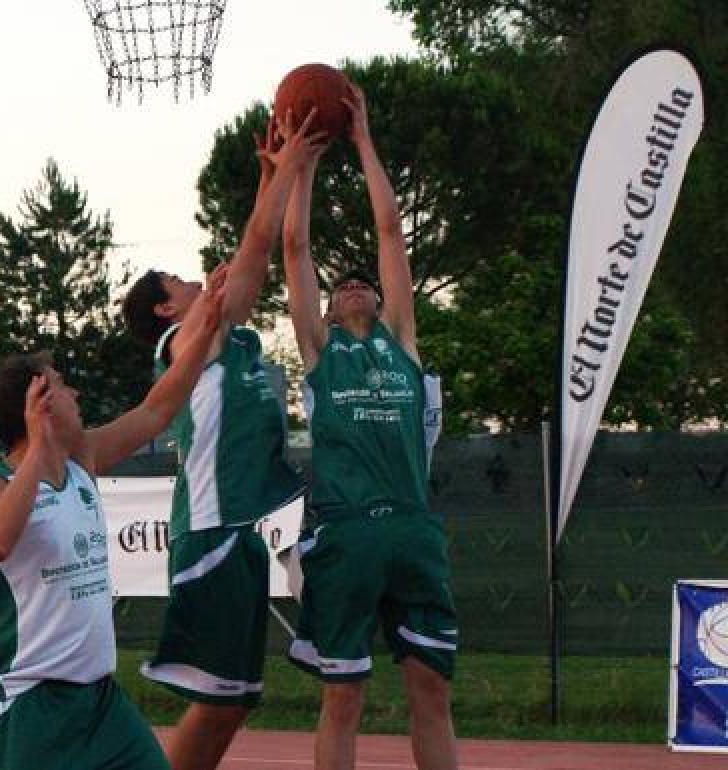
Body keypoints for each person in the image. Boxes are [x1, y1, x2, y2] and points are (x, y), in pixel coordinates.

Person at [118, 108, 328, 770]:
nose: (190, 280)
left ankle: (322, 584)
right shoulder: (184, 341)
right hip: (212, 529)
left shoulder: (232, 339)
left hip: (246, 522)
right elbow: (258, 251)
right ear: (164, 309)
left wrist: (283, 177)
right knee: (216, 701)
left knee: (234, 700)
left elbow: (270, 256)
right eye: (177, 282)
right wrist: (287, 168)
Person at [0, 272, 228, 770]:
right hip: (26, 707)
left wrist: (206, 327)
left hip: (98, 701)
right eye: (62, 385)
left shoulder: (82, 461)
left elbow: (156, 410)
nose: (76, 392)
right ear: (38, 406)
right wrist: (38, 446)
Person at [280, 83, 458, 770]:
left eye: (366, 282)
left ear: (384, 303)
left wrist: (364, 141)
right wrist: (305, 163)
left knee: (432, 688)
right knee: (344, 697)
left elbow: (390, 230)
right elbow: (295, 247)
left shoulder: (401, 343)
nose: (354, 283)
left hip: (412, 528)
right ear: (324, 312)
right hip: (347, 531)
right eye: (341, 284)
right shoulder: (323, 354)